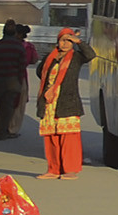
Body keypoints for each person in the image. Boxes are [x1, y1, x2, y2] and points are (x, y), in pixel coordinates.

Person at [35, 28, 87, 179]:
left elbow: (91, 55)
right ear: (58, 42)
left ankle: (70, 170)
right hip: (50, 102)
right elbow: (40, 72)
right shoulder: (50, 57)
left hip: (68, 102)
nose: (65, 44)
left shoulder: (76, 57)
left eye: (69, 41)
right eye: (63, 40)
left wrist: (79, 42)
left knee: (69, 137)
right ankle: (53, 170)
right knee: (51, 136)